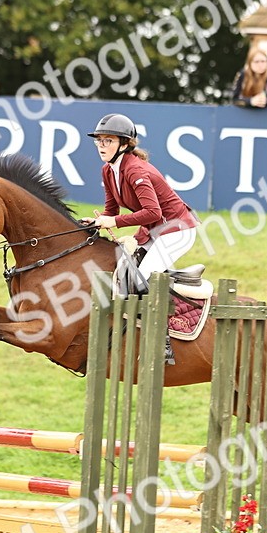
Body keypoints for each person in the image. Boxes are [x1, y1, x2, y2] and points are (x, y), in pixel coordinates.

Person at [82, 113, 200, 363]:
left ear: (124, 144)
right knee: (124, 274)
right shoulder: (108, 170)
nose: (101, 146)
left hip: (177, 230)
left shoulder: (135, 169)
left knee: (143, 278)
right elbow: (111, 211)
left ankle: (164, 342)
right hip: (153, 230)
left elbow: (153, 212)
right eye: (99, 141)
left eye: (108, 141)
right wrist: (95, 221)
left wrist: (112, 222)